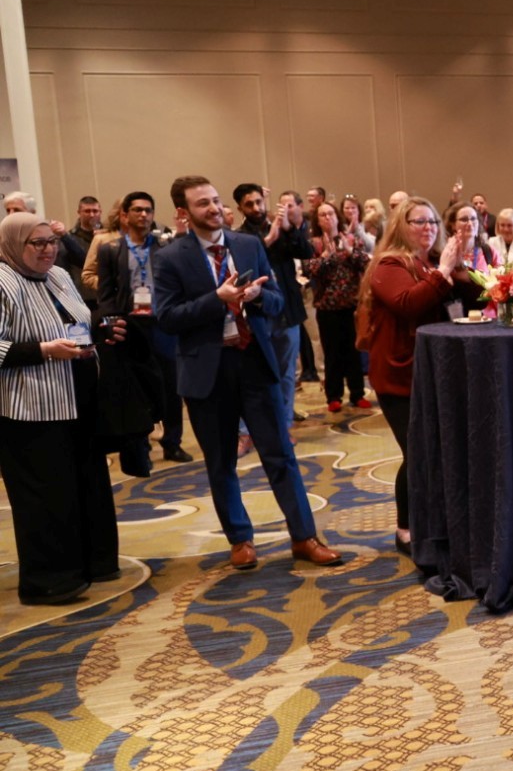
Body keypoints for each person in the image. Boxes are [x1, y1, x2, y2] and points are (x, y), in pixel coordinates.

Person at [153, 176, 343, 570]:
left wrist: (257, 297)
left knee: (281, 455)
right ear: (184, 212)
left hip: (255, 362)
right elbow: (167, 318)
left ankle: (304, 537)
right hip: (208, 372)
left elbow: (277, 300)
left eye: (215, 200)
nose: (213, 208)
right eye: (202, 203)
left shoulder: (247, 244)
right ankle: (240, 540)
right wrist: (216, 299)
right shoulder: (171, 257)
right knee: (221, 461)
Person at [0, 212, 126, 604]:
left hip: (79, 398)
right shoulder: (3, 282)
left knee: (86, 483)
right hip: (31, 409)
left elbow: (75, 322)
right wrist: (43, 351)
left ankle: (95, 563)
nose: (48, 250)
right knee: (47, 495)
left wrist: (101, 330)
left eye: (51, 242)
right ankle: (49, 581)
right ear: (12, 245)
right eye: (36, 243)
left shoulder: (57, 275)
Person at [359, 197, 462, 555]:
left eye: (433, 221)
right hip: (398, 375)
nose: (428, 227)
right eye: (419, 221)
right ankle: (405, 529)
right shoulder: (389, 263)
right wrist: (444, 271)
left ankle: (435, 522)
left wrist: (459, 268)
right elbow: (408, 303)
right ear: (401, 226)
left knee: (434, 451)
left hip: (429, 371)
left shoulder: (429, 262)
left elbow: (468, 299)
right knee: (416, 451)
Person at [95, 190, 192, 471]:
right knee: (137, 389)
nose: (144, 215)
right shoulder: (110, 249)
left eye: (148, 210)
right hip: (131, 326)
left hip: (163, 322)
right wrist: (110, 325)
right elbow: (106, 294)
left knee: (171, 386)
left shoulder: (165, 245)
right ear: (125, 215)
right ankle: (142, 447)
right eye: (137, 210)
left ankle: (172, 442)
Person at [233, 184, 314, 426]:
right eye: (249, 204)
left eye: (259, 202)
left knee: (287, 373)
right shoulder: (239, 237)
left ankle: (284, 423)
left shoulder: (281, 227)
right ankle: (256, 426)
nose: (256, 208)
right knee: (259, 373)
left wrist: (288, 229)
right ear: (240, 208)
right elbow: (243, 269)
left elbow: (306, 251)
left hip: (288, 311)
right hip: (259, 314)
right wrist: (267, 241)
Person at [307, 201, 371, 413]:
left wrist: (350, 251)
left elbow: (366, 263)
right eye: (323, 215)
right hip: (327, 306)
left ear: (337, 217)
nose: (328, 218)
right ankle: (333, 396)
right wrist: (326, 256)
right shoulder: (314, 244)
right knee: (332, 354)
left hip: (351, 305)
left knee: (353, 351)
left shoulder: (351, 239)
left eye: (331, 214)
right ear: (317, 220)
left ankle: (357, 393)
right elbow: (310, 270)